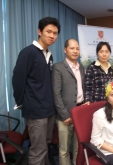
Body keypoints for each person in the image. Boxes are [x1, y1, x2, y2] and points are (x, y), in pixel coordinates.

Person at [12, 17, 60, 165]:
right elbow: (18, 80)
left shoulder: (49, 55)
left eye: (55, 33)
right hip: (35, 110)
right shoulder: (28, 53)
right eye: (48, 32)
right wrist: (22, 102)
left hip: (49, 109)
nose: (52, 36)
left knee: (45, 145)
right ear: (39, 31)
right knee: (38, 150)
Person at [52, 39, 85, 165]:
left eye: (77, 48)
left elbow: (82, 88)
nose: (75, 51)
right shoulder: (58, 67)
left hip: (79, 112)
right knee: (64, 149)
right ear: (65, 50)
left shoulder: (81, 67)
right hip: (65, 115)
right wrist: (64, 115)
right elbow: (56, 93)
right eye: (72, 48)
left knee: (78, 147)